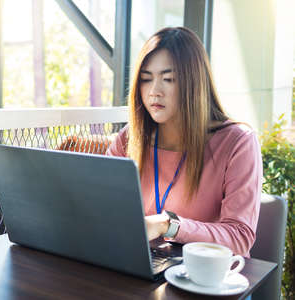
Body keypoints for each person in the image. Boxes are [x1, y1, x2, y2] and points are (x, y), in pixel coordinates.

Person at [106, 27, 262, 257]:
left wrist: (168, 224)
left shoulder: (238, 143)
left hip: (209, 279)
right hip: (144, 266)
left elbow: (239, 238)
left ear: (194, 83)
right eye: (146, 79)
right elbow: (102, 205)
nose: (153, 92)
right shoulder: (131, 137)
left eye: (168, 79)